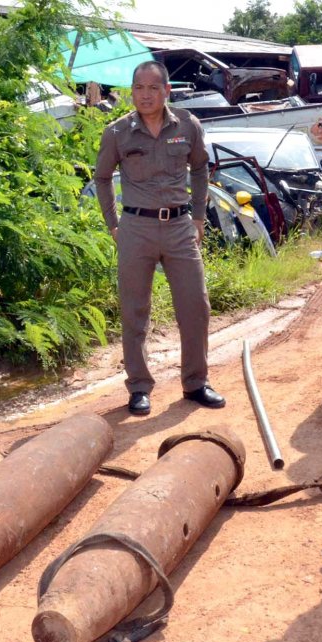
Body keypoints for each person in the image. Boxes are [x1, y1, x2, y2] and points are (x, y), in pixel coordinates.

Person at [93, 60, 226, 416]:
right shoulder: (118, 132)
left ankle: (196, 382)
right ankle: (138, 387)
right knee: (134, 311)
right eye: (139, 88)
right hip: (135, 229)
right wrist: (113, 224)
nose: (146, 95)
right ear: (131, 92)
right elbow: (102, 178)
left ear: (167, 90)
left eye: (154, 88)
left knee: (195, 306)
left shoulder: (187, 125)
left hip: (180, 227)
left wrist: (199, 215)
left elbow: (200, 168)